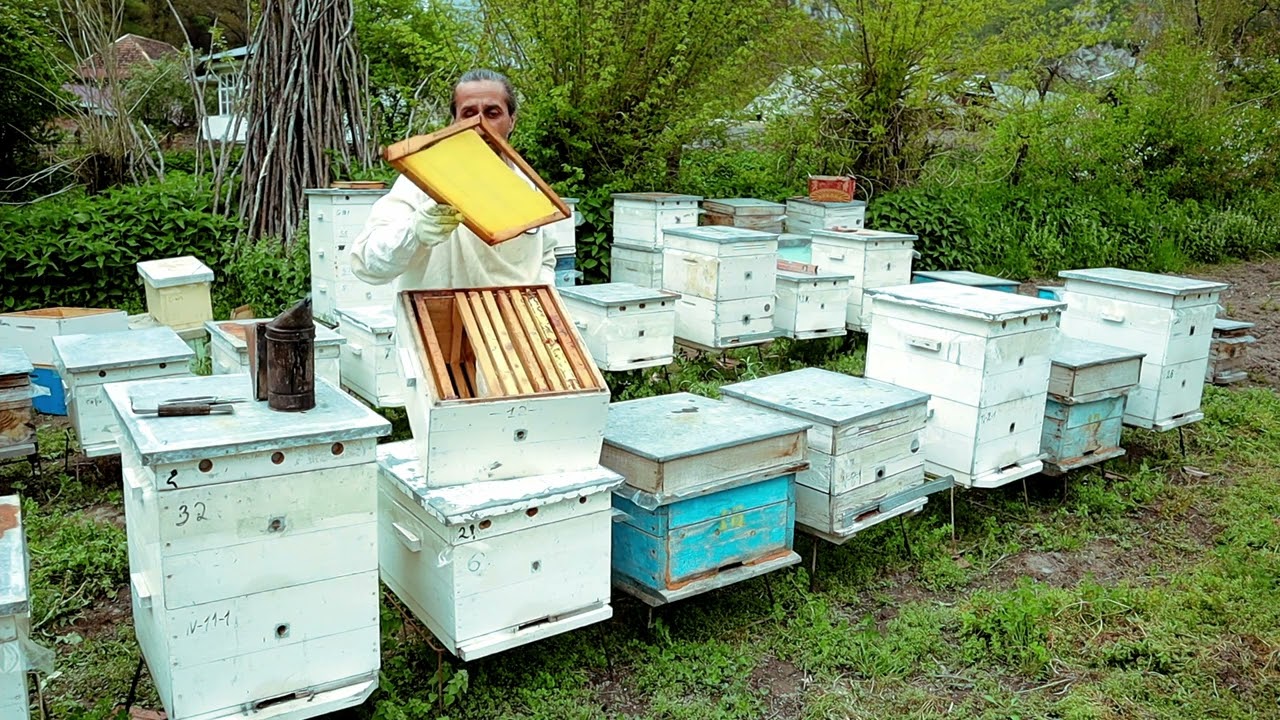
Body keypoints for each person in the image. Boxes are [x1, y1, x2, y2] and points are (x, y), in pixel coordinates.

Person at [350, 69, 556, 292]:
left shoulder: (529, 185)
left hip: (513, 323)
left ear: (512, 121)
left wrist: (540, 306)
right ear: (454, 122)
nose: (480, 125)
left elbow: (545, 255)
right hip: (439, 320)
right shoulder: (422, 179)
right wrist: (414, 230)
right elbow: (366, 264)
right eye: (469, 114)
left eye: (492, 113)